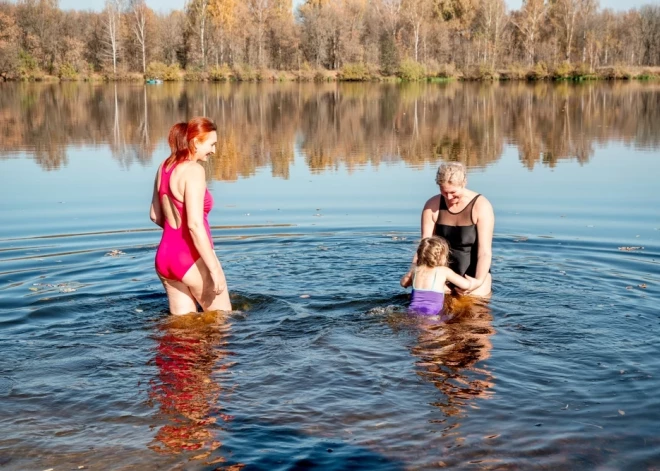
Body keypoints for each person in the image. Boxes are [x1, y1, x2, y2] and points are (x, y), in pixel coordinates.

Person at [150, 117, 232, 315]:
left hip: (165, 258)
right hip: (190, 257)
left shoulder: (164, 166)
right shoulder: (194, 171)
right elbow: (195, 226)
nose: (213, 150)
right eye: (211, 144)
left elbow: (154, 215)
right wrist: (215, 269)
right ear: (195, 143)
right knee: (223, 322)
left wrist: (175, 235)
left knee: (183, 332)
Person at [412, 162, 494, 296]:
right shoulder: (432, 206)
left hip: (473, 276)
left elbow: (485, 252)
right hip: (440, 275)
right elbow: (424, 248)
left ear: (464, 183)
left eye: (453, 193)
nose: (449, 197)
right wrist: (415, 273)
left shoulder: (481, 206)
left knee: (476, 312)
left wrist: (477, 282)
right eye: (444, 192)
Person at [400, 236, 475, 316]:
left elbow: (403, 283)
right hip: (432, 312)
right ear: (442, 256)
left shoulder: (416, 270)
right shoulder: (444, 271)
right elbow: (466, 285)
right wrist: (472, 282)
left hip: (412, 310)